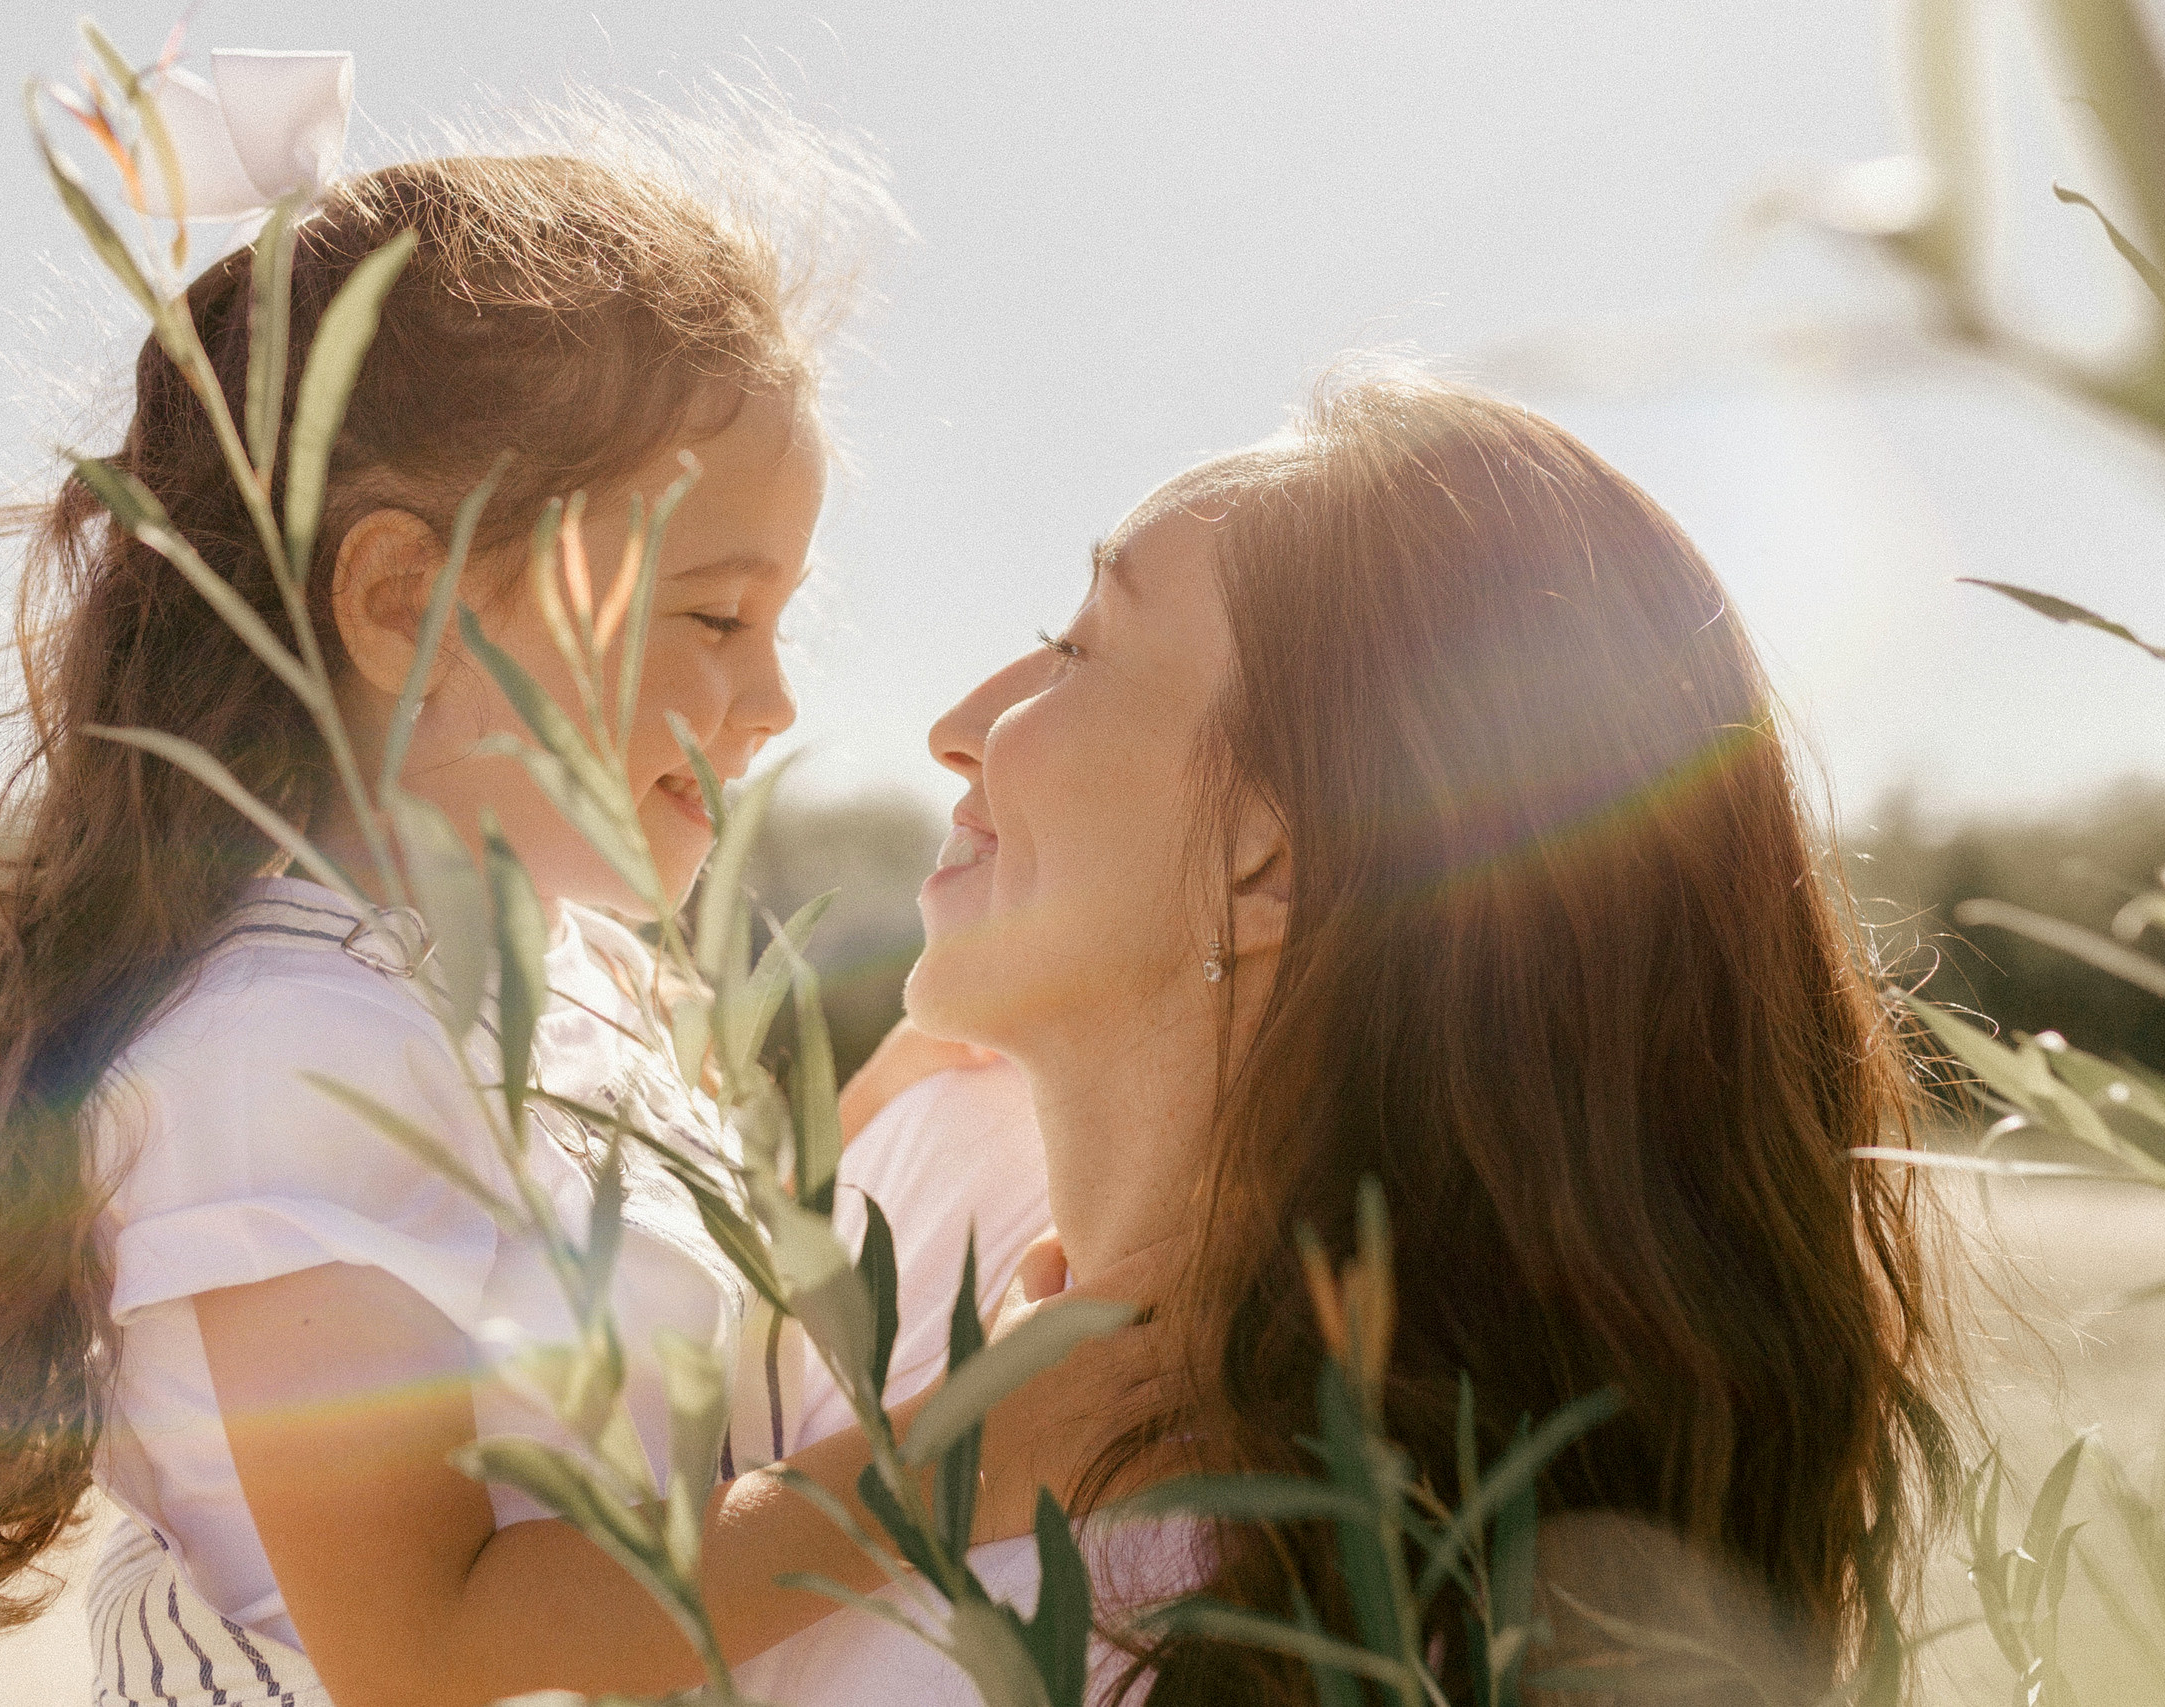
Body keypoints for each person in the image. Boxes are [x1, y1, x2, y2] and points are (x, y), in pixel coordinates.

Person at [0, 143, 1107, 1707]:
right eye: (716, 616)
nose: (776, 704)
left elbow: (636, 1335)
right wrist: (1000, 1438)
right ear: (404, 605)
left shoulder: (560, 982)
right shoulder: (283, 1049)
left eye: (785, 624)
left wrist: (888, 1096)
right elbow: (427, 1642)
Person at [757, 375, 1962, 1704]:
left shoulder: (1360, 1635)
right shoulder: (927, 1170)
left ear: (1270, 861)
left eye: (1078, 649)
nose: (957, 730)